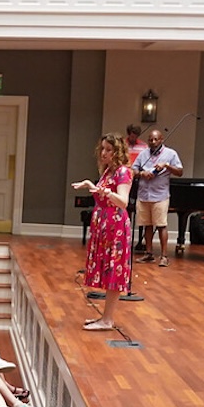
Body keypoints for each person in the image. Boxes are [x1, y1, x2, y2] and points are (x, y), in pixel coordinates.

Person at [73, 133, 134, 331]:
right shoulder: (108, 171)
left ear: (117, 151)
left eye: (108, 149)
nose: (104, 153)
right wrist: (92, 186)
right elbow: (103, 196)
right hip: (104, 224)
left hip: (115, 225)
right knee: (108, 269)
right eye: (102, 149)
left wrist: (109, 193)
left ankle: (107, 320)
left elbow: (123, 201)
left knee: (114, 269)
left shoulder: (123, 172)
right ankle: (105, 318)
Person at [132, 128, 183, 267]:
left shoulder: (171, 154)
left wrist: (166, 165)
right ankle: (148, 254)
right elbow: (133, 169)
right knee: (147, 225)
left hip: (160, 195)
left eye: (156, 139)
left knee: (161, 225)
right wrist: (142, 174)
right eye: (150, 140)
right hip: (143, 195)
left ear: (161, 140)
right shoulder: (143, 154)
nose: (153, 142)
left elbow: (180, 171)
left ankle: (164, 256)